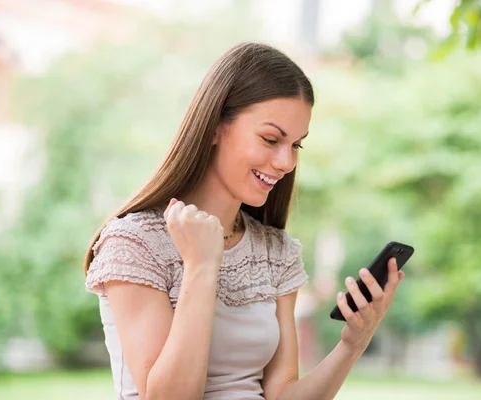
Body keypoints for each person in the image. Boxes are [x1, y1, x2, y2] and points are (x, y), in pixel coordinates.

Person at [83, 42, 405, 400]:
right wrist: (202, 266)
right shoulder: (134, 242)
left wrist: (353, 344)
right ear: (216, 127)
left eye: (297, 145)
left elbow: (282, 395)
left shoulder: (275, 252)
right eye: (271, 139)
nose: (286, 162)